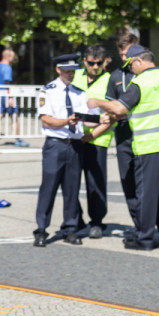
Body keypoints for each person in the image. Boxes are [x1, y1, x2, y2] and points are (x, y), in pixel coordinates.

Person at [90, 45, 159, 251]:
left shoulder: (140, 82)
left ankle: (145, 239)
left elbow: (119, 107)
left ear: (140, 61)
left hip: (148, 144)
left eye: (130, 64)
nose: (130, 69)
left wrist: (95, 101)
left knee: (147, 194)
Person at [33, 54, 90, 247]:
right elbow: (47, 119)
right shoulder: (47, 91)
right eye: (66, 70)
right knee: (48, 189)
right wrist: (67, 121)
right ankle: (41, 230)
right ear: (58, 69)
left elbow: (87, 118)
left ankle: (70, 229)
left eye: (73, 70)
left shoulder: (80, 93)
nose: (70, 74)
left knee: (72, 189)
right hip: (55, 144)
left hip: (74, 145)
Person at [71, 44, 114, 239]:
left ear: (104, 62)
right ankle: (76, 219)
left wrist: (92, 135)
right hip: (74, 136)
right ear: (84, 61)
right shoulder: (75, 76)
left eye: (98, 63)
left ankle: (97, 221)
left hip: (98, 139)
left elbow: (111, 113)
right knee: (70, 180)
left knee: (95, 182)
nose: (95, 67)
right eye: (91, 63)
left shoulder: (110, 80)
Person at [105, 32, 140, 237]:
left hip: (144, 132)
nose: (125, 58)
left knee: (145, 180)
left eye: (128, 53)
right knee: (128, 181)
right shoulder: (116, 76)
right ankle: (138, 223)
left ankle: (147, 223)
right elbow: (111, 105)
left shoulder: (147, 73)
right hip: (123, 133)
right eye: (122, 53)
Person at [0, 47, 29, 147]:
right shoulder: (7, 67)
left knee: (1, 114)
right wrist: (10, 97)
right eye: (12, 56)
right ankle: (18, 139)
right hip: (6, 93)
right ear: (8, 57)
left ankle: (18, 138)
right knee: (14, 116)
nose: (13, 59)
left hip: (0, 94)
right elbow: (8, 82)